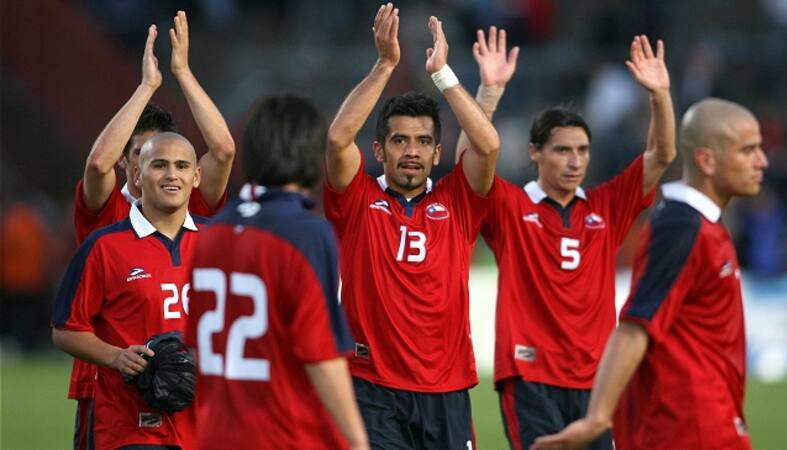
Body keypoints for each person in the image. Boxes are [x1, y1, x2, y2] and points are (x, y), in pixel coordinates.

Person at [456, 31, 676, 450]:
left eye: (582, 150)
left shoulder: (606, 206)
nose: (575, 161)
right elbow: (470, 162)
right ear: (535, 152)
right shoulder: (510, 206)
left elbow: (661, 156)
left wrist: (660, 96)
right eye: (562, 150)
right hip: (530, 376)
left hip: (597, 380)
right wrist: (489, 93)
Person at [531, 98, 768, 450]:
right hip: (688, 428)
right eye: (748, 150)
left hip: (711, 420)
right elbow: (633, 328)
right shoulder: (681, 226)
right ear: (707, 160)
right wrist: (597, 418)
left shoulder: (705, 226)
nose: (762, 161)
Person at [323, 4, 500, 448]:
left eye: (423, 142)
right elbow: (338, 138)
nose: (412, 151)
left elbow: (488, 144)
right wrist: (385, 64)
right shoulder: (358, 199)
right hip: (373, 389)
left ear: (438, 154)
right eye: (399, 140)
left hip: (448, 390)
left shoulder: (457, 201)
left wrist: (443, 74)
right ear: (379, 151)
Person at [68, 12, 234, 450]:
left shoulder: (189, 207)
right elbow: (98, 164)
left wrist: (183, 73)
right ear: (132, 164)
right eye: (147, 157)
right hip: (107, 389)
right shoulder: (106, 212)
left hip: (190, 393)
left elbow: (222, 149)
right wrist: (145, 88)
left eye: (175, 160)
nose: (165, 169)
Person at [186, 94, 368, 450]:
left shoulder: (210, 232)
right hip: (285, 432)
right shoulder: (306, 232)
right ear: (310, 153)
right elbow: (322, 354)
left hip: (214, 433)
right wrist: (358, 441)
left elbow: (196, 350)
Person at [52, 131, 205, 450]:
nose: (172, 175)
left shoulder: (222, 241)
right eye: (159, 165)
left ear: (196, 176)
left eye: (181, 165)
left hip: (205, 423)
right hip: (130, 425)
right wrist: (116, 356)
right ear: (137, 173)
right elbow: (66, 329)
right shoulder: (104, 246)